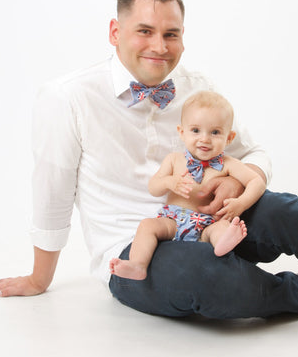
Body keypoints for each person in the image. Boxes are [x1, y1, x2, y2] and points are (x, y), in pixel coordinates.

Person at [0, 0, 298, 318]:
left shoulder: (195, 86)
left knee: (287, 211)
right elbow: (52, 194)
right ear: (115, 32)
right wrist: (39, 278)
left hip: (212, 222)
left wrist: (234, 184)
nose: (159, 47)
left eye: (171, 34)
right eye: (145, 31)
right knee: (210, 279)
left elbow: (252, 153)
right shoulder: (67, 98)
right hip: (137, 249)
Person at [110, 91, 265, 280]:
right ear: (182, 133)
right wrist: (169, 182)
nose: (205, 139)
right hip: (173, 221)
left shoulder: (228, 164)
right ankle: (137, 265)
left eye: (215, 132)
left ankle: (223, 244)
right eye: (195, 130)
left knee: (223, 227)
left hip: (207, 224)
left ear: (230, 137)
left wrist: (241, 203)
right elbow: (153, 187)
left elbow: (257, 182)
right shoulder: (175, 160)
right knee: (147, 225)